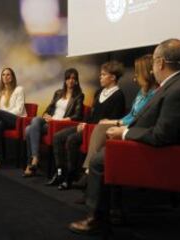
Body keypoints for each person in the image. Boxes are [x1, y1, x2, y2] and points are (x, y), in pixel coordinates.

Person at [69, 39, 180, 234]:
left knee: (100, 160)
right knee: (107, 147)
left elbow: (161, 135)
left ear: (161, 63)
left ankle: (96, 219)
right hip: (160, 150)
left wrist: (125, 133)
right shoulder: (177, 84)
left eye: (154, 63)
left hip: (163, 157)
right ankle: (111, 208)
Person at [74, 54, 158, 190]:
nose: (135, 77)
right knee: (101, 126)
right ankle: (88, 172)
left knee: (101, 129)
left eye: (137, 73)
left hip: (136, 129)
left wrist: (117, 123)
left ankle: (89, 173)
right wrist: (115, 121)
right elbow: (131, 114)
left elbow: (140, 119)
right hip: (127, 124)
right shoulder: (142, 92)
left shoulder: (154, 94)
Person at [48, 61, 126, 190]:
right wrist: (84, 123)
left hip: (99, 132)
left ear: (112, 77)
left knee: (72, 140)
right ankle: (60, 172)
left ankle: (71, 176)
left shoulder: (118, 95)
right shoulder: (99, 92)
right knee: (58, 137)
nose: (100, 77)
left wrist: (90, 126)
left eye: (103, 75)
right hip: (88, 126)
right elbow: (91, 114)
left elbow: (113, 120)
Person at [23, 68, 84, 177]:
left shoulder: (79, 96)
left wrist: (56, 121)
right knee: (35, 120)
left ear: (76, 81)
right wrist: (46, 115)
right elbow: (49, 108)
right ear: (65, 80)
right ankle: (35, 159)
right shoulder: (58, 93)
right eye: (68, 78)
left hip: (60, 125)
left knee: (29, 130)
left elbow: (77, 116)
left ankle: (31, 163)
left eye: (73, 78)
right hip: (50, 121)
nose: (71, 80)